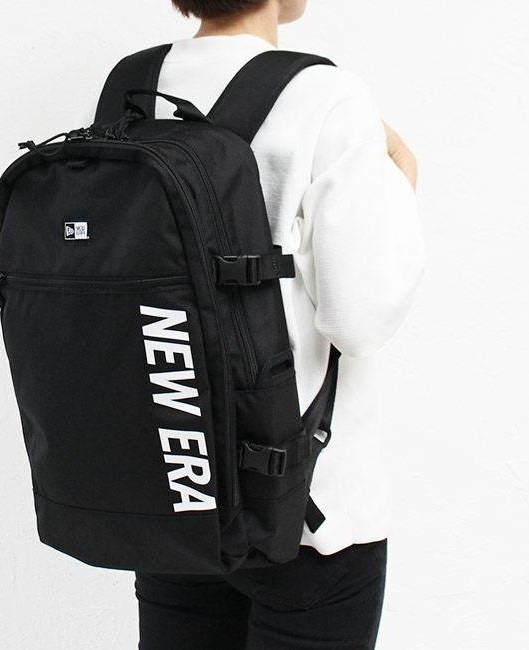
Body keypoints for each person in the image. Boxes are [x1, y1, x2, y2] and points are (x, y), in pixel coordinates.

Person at [127, 1, 427, 648]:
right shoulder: (325, 95)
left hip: (174, 487)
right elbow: (360, 320)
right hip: (310, 516)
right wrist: (402, 179)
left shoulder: (132, 85)